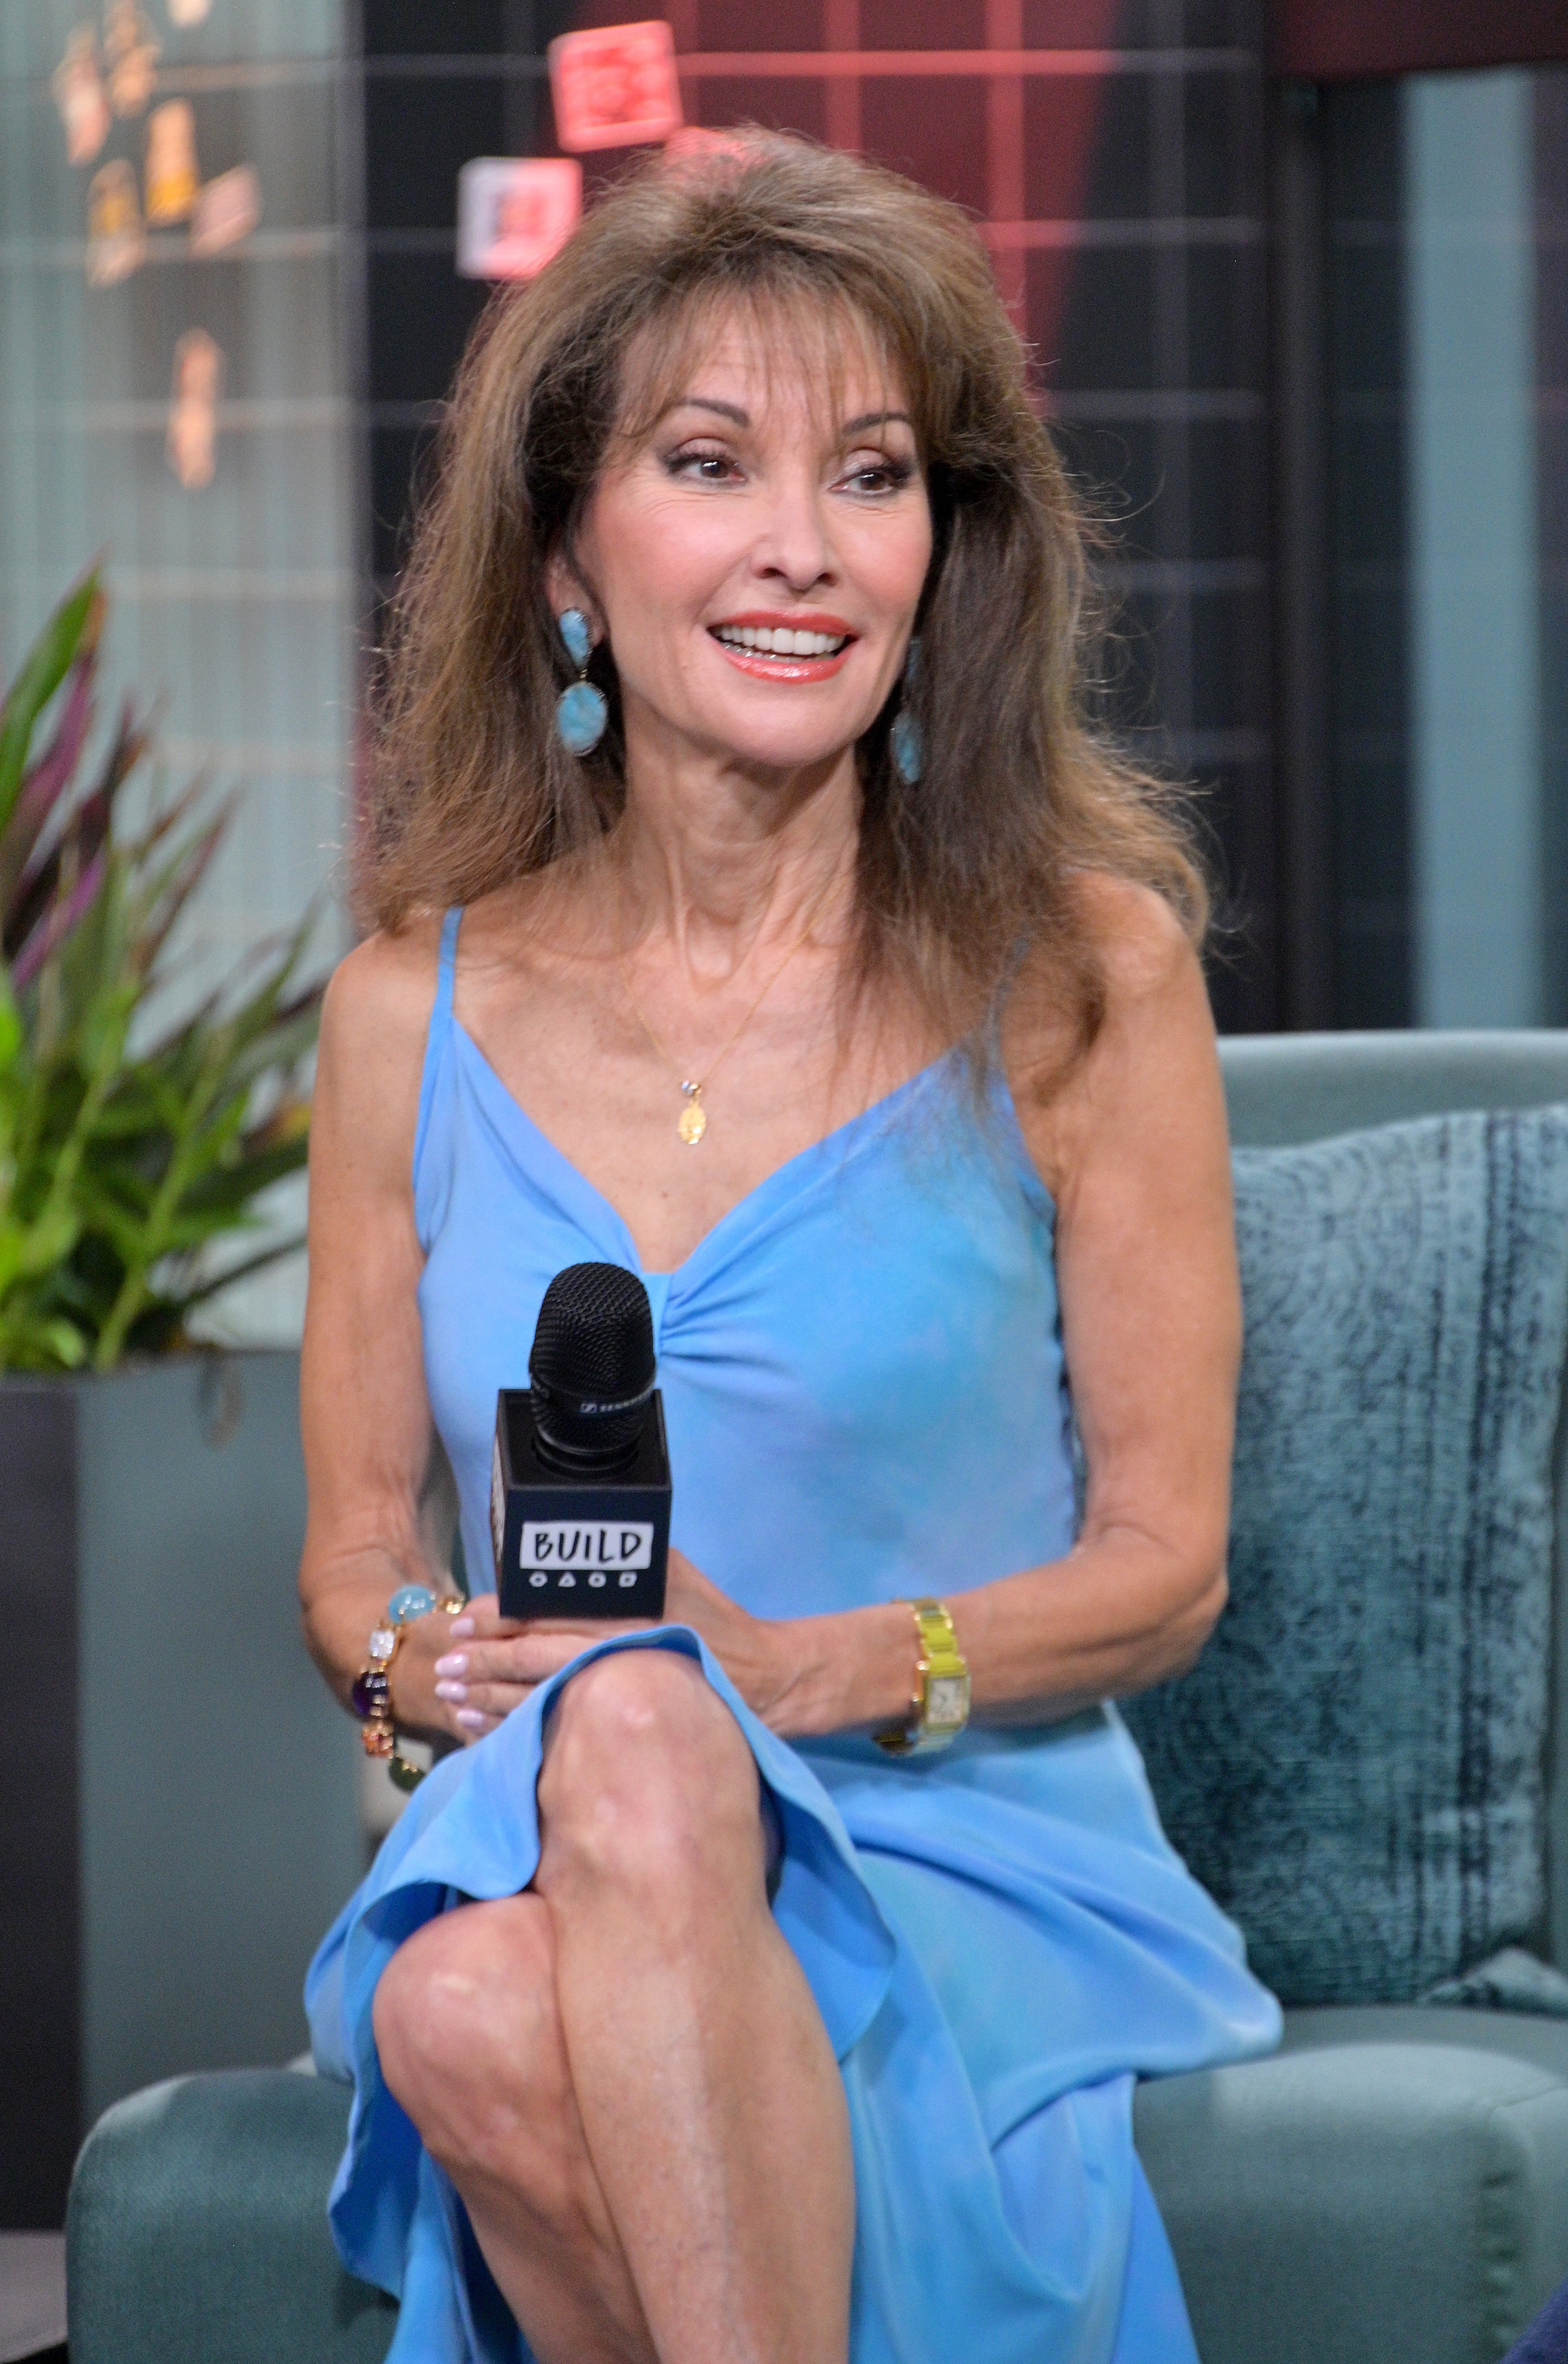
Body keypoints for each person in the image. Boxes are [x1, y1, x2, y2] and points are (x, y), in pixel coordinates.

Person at [299, 132, 1280, 2364]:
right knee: (482, 1943)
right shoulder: (402, 1016)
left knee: (556, 1872)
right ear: (570, 558)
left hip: (958, 1836)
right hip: (555, 1830)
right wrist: (419, 1671)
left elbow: (1171, 1561)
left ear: (942, 559)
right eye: (711, 462)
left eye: (870, 477)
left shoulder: (1085, 978)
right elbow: (351, 1553)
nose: (802, 549)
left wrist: (794, 1668)